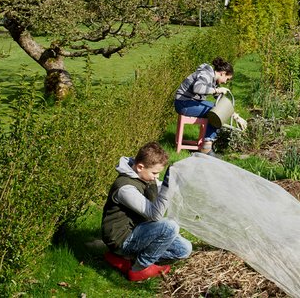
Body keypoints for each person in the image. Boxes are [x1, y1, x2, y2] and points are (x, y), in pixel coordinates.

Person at [101, 141, 192, 281]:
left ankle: (128, 259)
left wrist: (175, 182)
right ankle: (139, 268)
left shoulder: (144, 175)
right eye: (155, 173)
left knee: (184, 249)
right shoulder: (125, 189)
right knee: (169, 226)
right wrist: (168, 186)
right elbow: (155, 215)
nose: (156, 177)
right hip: (122, 240)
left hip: (140, 230)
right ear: (140, 167)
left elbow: (157, 189)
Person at [174, 57, 246, 156]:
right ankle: (207, 146)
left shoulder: (213, 80)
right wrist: (216, 90)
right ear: (223, 73)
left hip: (190, 102)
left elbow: (221, 105)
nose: (225, 82)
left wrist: (236, 117)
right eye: (227, 79)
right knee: (216, 113)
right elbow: (197, 88)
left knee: (216, 109)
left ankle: (207, 143)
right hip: (183, 103)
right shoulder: (206, 74)